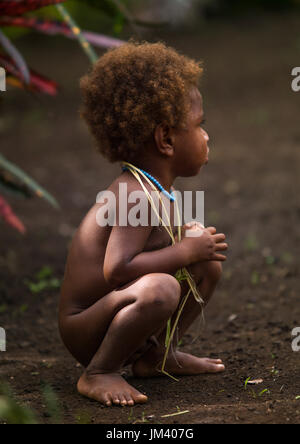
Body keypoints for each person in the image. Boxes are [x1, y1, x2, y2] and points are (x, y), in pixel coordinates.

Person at [58, 41, 228, 407]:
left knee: (206, 261)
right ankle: (99, 372)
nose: (206, 136)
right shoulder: (134, 193)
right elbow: (118, 270)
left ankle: (158, 355)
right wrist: (183, 250)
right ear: (166, 138)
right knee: (163, 287)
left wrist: (188, 245)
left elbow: (151, 250)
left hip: (116, 314)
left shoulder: (154, 189)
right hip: (88, 329)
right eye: (200, 126)